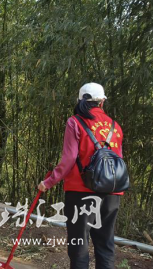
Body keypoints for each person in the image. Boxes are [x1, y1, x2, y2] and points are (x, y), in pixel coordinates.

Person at [37, 83, 123, 269]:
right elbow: (119, 161)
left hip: (81, 192)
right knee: (106, 245)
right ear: (101, 102)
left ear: (80, 101)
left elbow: (68, 160)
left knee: (79, 245)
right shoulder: (115, 127)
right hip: (111, 193)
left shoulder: (75, 122)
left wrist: (49, 182)